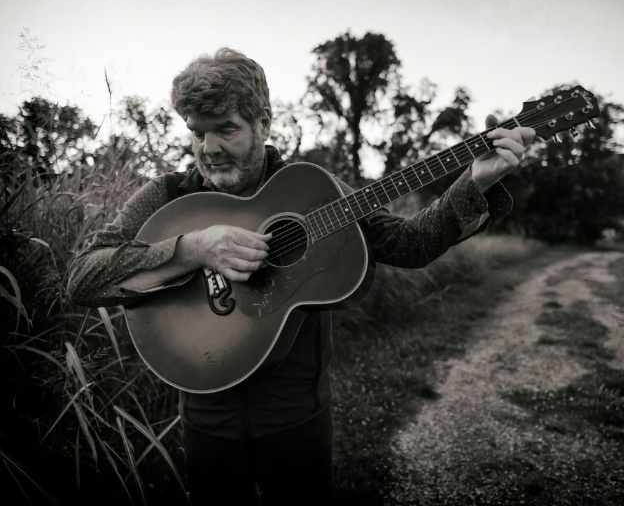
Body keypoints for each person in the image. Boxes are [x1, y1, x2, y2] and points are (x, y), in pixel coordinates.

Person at [67, 48, 535, 505]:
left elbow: (410, 244)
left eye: (226, 130)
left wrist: (473, 182)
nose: (208, 149)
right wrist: (193, 248)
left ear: (263, 124)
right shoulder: (167, 197)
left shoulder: (313, 190)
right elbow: (84, 278)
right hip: (204, 419)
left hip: (297, 420)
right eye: (197, 133)